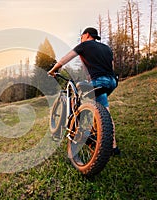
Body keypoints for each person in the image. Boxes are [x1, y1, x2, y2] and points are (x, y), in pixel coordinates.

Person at [48, 27, 120, 156]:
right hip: (112, 81)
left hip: (99, 81)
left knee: (82, 95)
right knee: (102, 110)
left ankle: (79, 124)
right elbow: (111, 66)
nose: (81, 39)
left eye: (82, 36)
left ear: (86, 35)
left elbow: (65, 59)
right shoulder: (106, 48)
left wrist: (53, 70)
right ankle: (110, 144)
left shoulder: (84, 45)